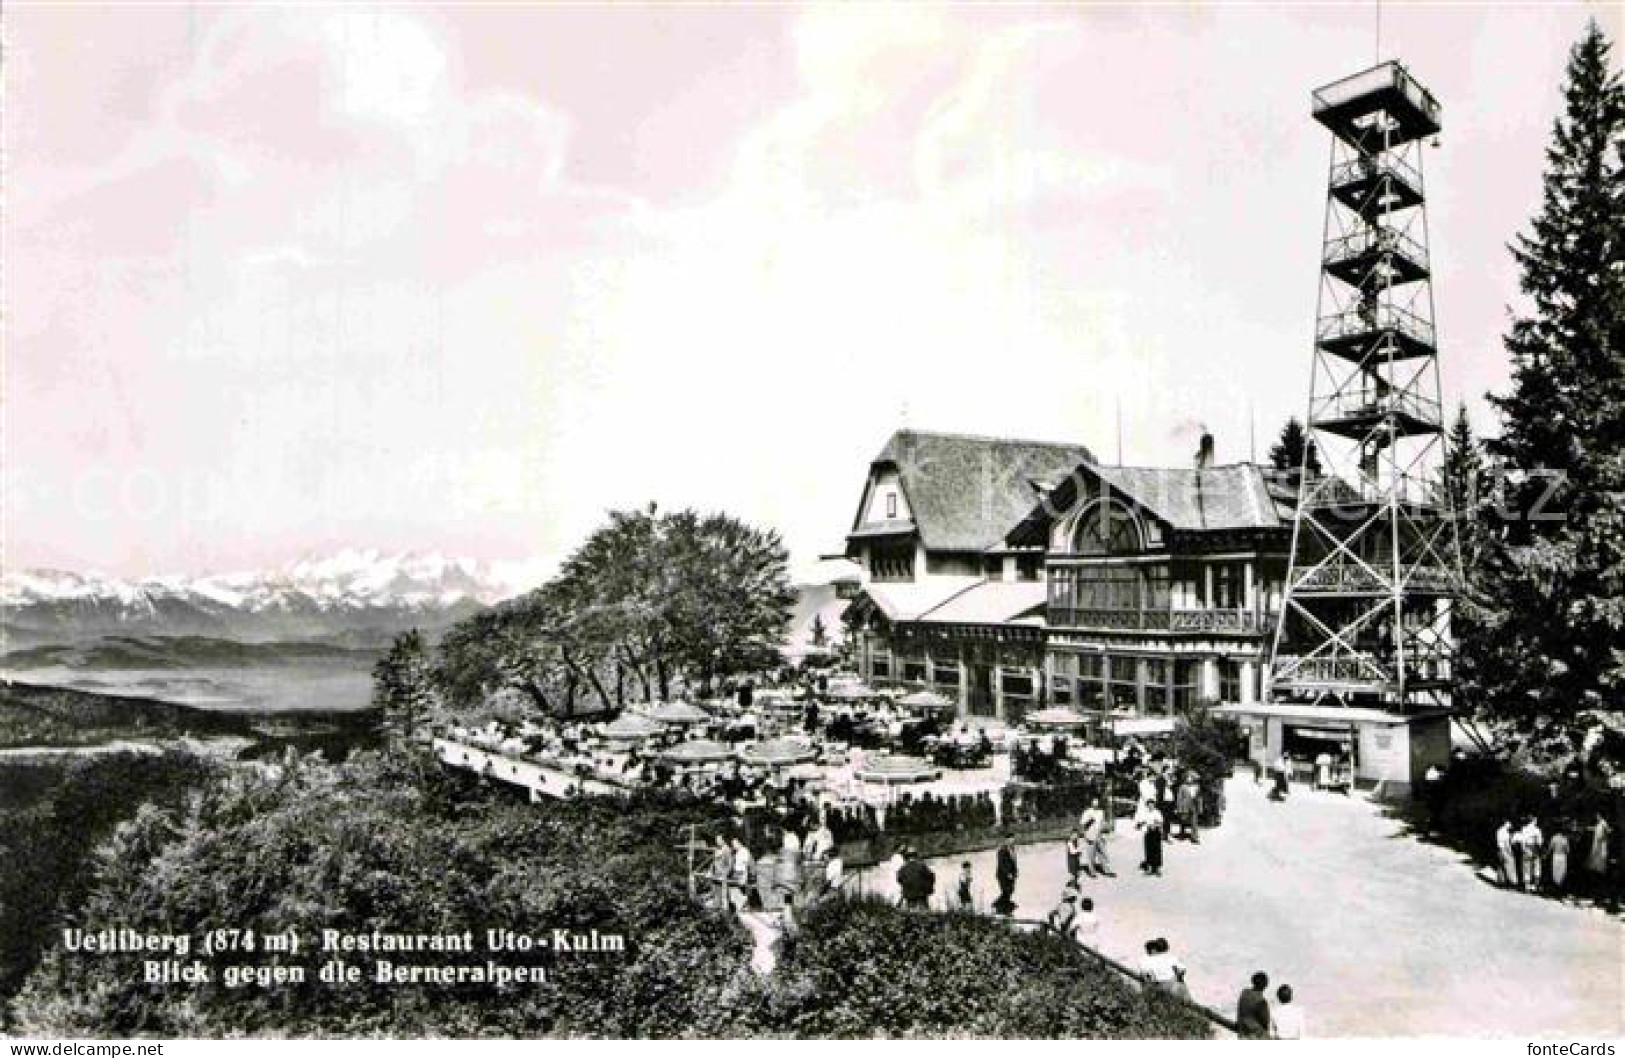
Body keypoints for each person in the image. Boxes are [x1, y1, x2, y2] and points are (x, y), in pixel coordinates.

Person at [1081, 798, 1114, 876]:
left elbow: (1102, 822)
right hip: (1090, 834)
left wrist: (1105, 830)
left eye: (1097, 802)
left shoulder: (1101, 812)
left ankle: (1107, 871)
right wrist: (1085, 835)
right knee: (1091, 854)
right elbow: (1082, 824)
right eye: (1094, 802)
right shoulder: (1087, 812)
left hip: (1099, 834)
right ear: (1091, 803)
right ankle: (1092, 872)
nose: (1096, 804)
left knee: (1103, 853)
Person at [1235, 972, 1272, 1039]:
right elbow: (1265, 1023)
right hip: (1256, 1036)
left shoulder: (1244, 993)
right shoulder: (1261, 1001)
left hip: (1242, 1034)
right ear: (1265, 985)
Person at [1136, 799, 1165, 876]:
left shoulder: (1157, 812)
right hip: (1148, 832)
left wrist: (1155, 825)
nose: (1150, 806)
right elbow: (1142, 821)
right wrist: (1139, 825)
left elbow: (1161, 823)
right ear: (1147, 805)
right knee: (1148, 850)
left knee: (1157, 850)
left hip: (1156, 832)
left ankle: (1157, 869)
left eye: (1152, 804)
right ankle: (1149, 868)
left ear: (1154, 805)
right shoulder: (1145, 813)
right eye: (1149, 804)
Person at [1518, 816, 1545, 893]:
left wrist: (1523, 849)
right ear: (1533, 821)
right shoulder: (1537, 830)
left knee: (1526, 868)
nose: (1536, 821)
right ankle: (1536, 887)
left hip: (1526, 849)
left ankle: (1527, 887)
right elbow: (1539, 843)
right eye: (1536, 820)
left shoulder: (1524, 829)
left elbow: (1522, 841)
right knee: (1537, 867)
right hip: (1535, 849)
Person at [995, 837, 1019, 915]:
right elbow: (1002, 864)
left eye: (1013, 840)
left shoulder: (1012, 849)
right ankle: (998, 905)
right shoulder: (1002, 850)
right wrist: (1008, 873)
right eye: (1011, 840)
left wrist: (1015, 871)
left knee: (1011, 889)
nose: (1012, 841)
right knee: (1006, 890)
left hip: (1011, 873)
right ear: (1006, 840)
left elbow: (1014, 861)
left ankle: (1005, 906)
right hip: (1003, 874)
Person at [1496, 818, 1519, 888]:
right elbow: (1507, 844)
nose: (1510, 825)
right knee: (1510, 865)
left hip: (1499, 849)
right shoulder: (1505, 832)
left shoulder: (1499, 830)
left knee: (1501, 866)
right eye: (1509, 823)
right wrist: (1511, 852)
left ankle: (1501, 882)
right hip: (1505, 850)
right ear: (1506, 823)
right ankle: (1512, 883)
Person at [1549, 827, 1571, 893]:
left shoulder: (1554, 838)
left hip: (1555, 855)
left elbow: (1550, 848)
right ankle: (1560, 888)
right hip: (1562, 856)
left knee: (1555, 872)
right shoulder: (1565, 839)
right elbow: (1568, 850)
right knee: (1562, 872)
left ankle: (1555, 887)